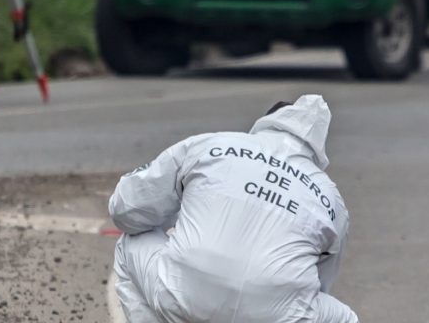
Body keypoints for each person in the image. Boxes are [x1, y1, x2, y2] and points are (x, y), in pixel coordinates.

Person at [109, 94, 359, 323]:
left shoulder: (212, 145)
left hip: (182, 295)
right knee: (345, 319)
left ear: (268, 120)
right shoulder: (331, 199)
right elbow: (320, 283)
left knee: (132, 239)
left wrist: (173, 220)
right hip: (277, 316)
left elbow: (125, 209)